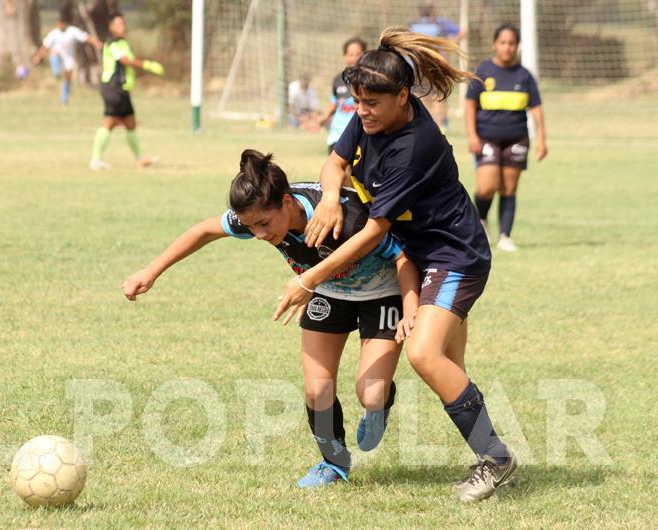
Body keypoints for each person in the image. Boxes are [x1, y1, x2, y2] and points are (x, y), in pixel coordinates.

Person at [274, 27, 518, 502]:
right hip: (421, 258)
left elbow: (374, 232)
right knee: (449, 366)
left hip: (452, 257)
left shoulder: (413, 145)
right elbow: (335, 162)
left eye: (371, 103)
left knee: (426, 356)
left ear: (403, 96)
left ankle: (497, 459)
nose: (360, 111)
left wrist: (309, 278)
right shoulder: (371, 117)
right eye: (356, 101)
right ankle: (491, 453)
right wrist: (327, 196)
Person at [123, 149, 420, 488]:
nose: (259, 234)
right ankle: (334, 464)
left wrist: (410, 303)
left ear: (288, 202)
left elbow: (401, 255)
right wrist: (151, 271)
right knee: (316, 390)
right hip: (325, 290)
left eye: (264, 224)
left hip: (380, 291)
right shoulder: (256, 215)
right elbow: (205, 230)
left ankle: (381, 404)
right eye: (252, 227)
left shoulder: (345, 218)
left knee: (370, 393)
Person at [465, 24, 547, 252]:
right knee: (486, 187)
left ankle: (505, 236)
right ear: (495, 44)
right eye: (503, 42)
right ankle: (481, 220)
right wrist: (472, 136)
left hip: (517, 139)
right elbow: (470, 105)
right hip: (486, 138)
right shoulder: (483, 71)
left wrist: (541, 139)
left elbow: (537, 108)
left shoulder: (525, 76)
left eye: (512, 43)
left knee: (509, 188)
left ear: (517, 46)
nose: (507, 47)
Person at [89, 12, 164, 170]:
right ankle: (96, 160)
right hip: (113, 88)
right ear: (111, 27)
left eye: (123, 23)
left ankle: (140, 159)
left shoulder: (123, 42)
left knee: (130, 122)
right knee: (109, 122)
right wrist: (147, 65)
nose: (122, 26)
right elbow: (124, 60)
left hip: (122, 89)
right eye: (118, 24)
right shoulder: (112, 43)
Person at [408, 1, 465, 132]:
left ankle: (435, 126)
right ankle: (438, 126)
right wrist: (449, 45)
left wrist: (448, 45)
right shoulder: (423, 24)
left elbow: (461, 32)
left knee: (434, 96)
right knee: (434, 96)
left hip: (428, 66)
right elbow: (462, 32)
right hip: (424, 66)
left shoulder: (433, 23)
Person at [33, 18, 103, 105]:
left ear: (65, 24)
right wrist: (38, 56)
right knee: (55, 57)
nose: (60, 26)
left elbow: (86, 37)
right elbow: (45, 46)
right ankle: (56, 71)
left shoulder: (72, 31)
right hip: (57, 56)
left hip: (68, 58)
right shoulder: (54, 34)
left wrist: (97, 43)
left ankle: (64, 97)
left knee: (68, 77)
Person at [320, 37, 367, 153]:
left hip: (360, 135)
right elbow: (334, 102)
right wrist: (323, 117)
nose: (354, 58)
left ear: (365, 55)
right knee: (338, 168)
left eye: (358, 54)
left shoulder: (369, 80)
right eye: (350, 54)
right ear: (345, 56)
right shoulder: (338, 80)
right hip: (338, 136)